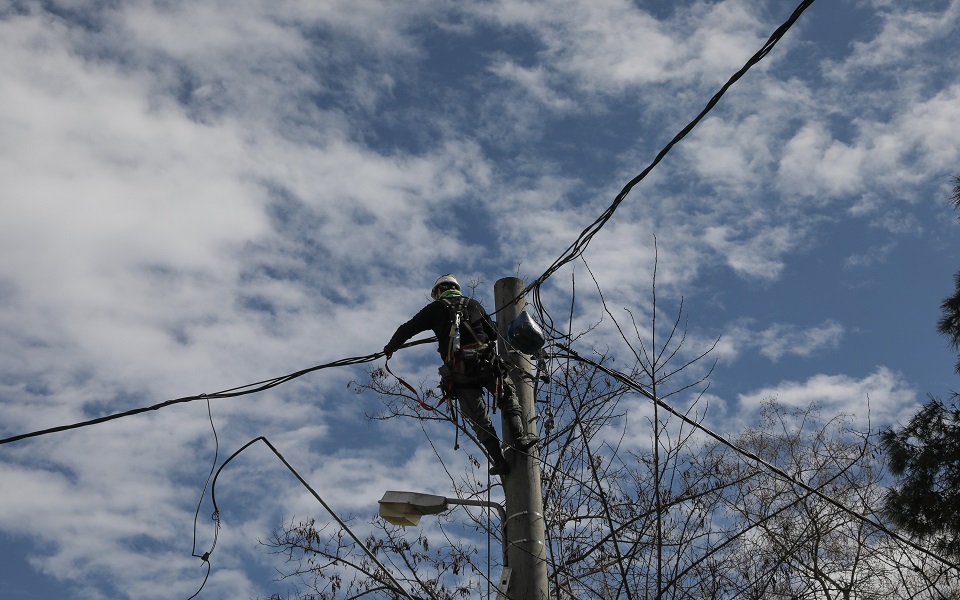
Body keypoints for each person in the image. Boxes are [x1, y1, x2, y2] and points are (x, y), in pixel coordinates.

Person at [383, 274, 538, 476]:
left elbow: (408, 328)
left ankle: (500, 462)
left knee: (478, 419)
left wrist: (390, 347)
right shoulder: (473, 305)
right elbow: (493, 333)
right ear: (456, 288)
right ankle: (520, 438)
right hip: (486, 363)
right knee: (508, 396)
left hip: (459, 372)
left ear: (438, 291)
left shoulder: (435, 309)